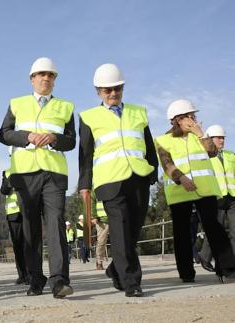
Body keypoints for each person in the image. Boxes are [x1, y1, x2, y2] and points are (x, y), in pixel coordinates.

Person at [0, 57, 75, 298]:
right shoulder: (17, 103)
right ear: (32, 79)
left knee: (56, 224)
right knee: (30, 228)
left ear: (55, 80)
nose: (46, 78)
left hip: (54, 173)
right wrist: (27, 137)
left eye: (50, 75)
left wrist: (54, 138)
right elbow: (4, 134)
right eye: (41, 74)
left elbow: (71, 141)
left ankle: (59, 280)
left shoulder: (66, 107)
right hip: (25, 174)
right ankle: (35, 279)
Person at [79, 64, 158, 297]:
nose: (113, 94)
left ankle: (116, 269)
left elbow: (148, 144)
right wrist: (84, 184)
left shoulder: (139, 112)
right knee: (121, 229)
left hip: (139, 177)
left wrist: (153, 170)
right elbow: (85, 154)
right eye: (107, 90)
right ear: (98, 91)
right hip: (109, 181)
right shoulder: (88, 117)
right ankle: (131, 282)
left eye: (117, 89)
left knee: (132, 231)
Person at [155, 100, 235, 282]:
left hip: (205, 191)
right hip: (179, 192)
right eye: (191, 116)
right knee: (182, 233)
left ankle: (228, 270)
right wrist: (181, 178)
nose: (194, 119)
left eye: (194, 116)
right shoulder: (162, 140)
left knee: (215, 228)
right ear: (178, 120)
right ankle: (186, 274)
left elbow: (213, 152)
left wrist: (200, 134)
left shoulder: (199, 136)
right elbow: (166, 164)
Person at [198, 125, 235, 272]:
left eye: (223, 137)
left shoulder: (231, 155)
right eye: (219, 137)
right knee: (215, 230)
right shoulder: (204, 156)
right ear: (210, 139)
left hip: (232, 197)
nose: (222, 140)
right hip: (215, 198)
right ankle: (205, 257)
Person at [0, 170, 28, 285]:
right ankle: (22, 275)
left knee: (29, 243)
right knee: (17, 245)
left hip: (27, 211)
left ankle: (32, 273)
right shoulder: (7, 172)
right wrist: (10, 182)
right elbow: (4, 191)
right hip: (13, 214)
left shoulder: (28, 168)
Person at [94, 201, 109, 270]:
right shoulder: (94, 191)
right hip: (101, 220)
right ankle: (99, 261)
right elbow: (91, 202)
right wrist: (93, 216)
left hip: (115, 217)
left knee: (120, 241)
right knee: (101, 242)